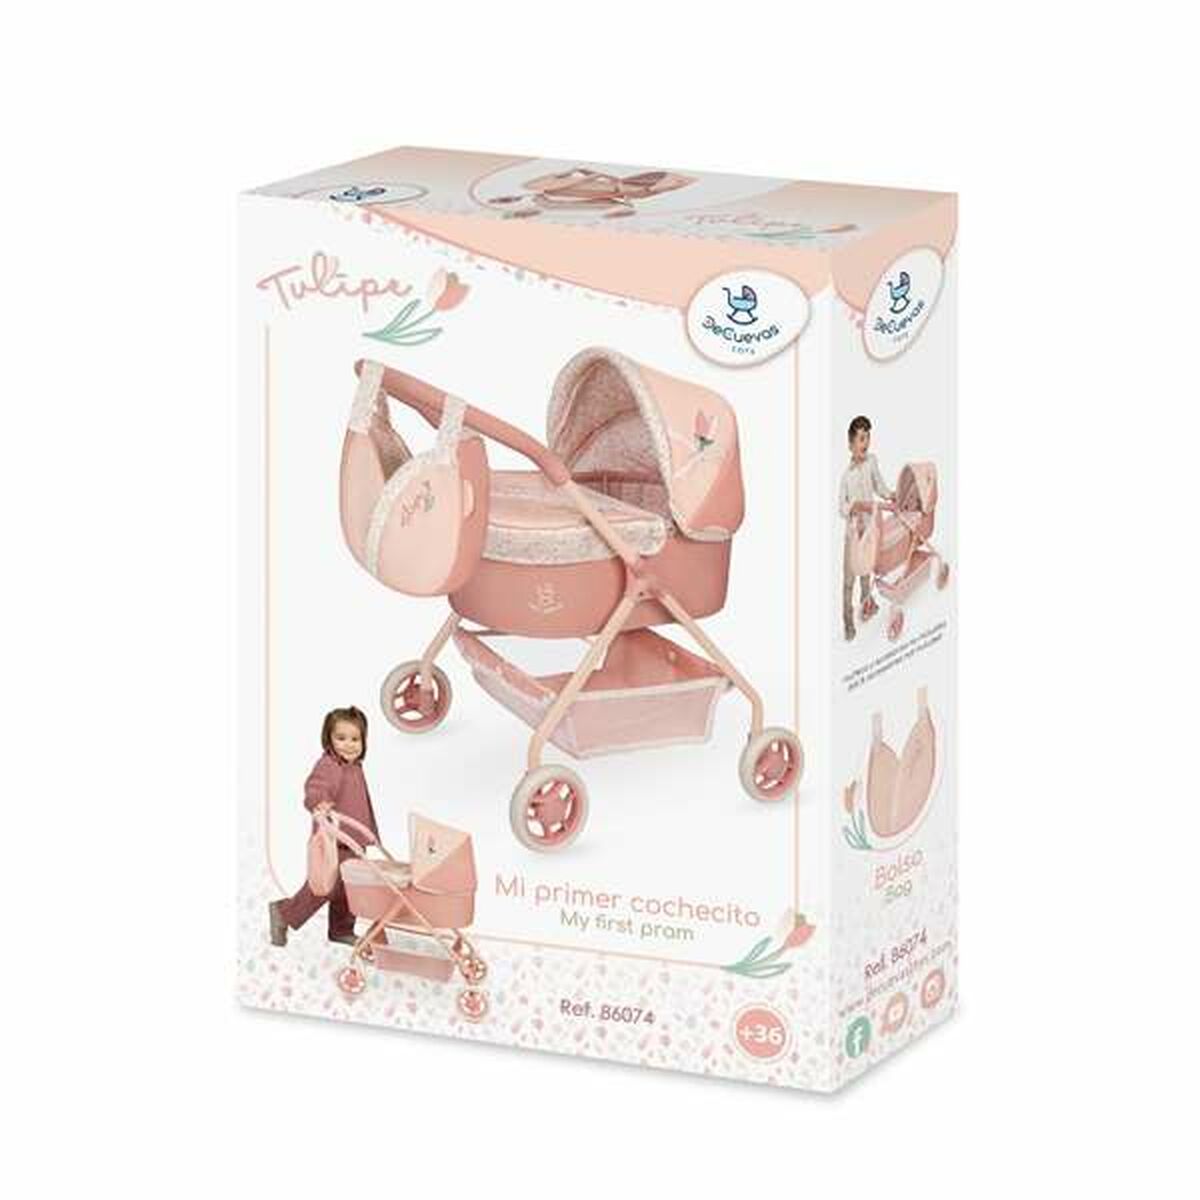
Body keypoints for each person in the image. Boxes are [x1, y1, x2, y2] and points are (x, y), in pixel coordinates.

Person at [268, 707, 379, 947]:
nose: (349, 745)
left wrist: (368, 833)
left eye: (355, 739)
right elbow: (315, 787)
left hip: (354, 841)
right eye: (341, 738)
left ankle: (341, 929)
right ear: (328, 739)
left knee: (350, 888)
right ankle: (284, 912)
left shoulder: (355, 766)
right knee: (323, 887)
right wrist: (318, 802)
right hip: (333, 840)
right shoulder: (329, 765)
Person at [839, 416, 894, 641]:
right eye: (861, 438)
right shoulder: (846, 476)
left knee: (866, 572)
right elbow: (841, 507)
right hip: (853, 535)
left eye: (868, 437)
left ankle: (867, 605)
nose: (866, 443)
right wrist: (852, 507)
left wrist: (890, 495)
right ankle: (848, 622)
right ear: (851, 444)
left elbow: (879, 484)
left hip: (869, 529)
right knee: (849, 579)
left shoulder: (871, 462)